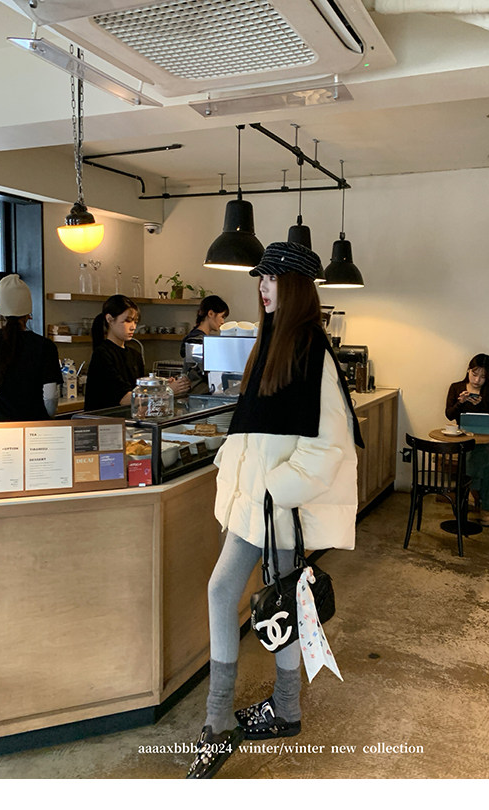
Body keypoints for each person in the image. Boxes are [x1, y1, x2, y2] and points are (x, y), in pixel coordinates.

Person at [186, 242, 364, 779]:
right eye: (260, 278)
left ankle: (223, 719)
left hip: (274, 507)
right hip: (258, 505)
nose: (262, 287)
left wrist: (272, 490)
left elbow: (329, 446)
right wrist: (235, 468)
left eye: (272, 278)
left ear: (296, 287)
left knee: (252, 596)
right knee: (276, 601)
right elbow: (255, 430)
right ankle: (277, 709)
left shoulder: (310, 352)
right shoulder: (273, 344)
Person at [0, 274, 61, 421]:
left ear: (1, 312)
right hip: (33, 423)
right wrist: (48, 418)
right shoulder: (45, 346)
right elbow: (50, 395)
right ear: (28, 314)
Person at [84, 294, 190, 411]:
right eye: (127, 321)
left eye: (135, 322)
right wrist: (167, 391)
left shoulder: (134, 355)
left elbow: (140, 392)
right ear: (109, 319)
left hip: (128, 418)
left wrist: (161, 386)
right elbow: (125, 398)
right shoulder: (102, 354)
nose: (133, 327)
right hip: (104, 420)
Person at [445, 353, 489, 527]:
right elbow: (449, 415)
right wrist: (461, 402)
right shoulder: (456, 388)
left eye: (483, 377)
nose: (477, 380)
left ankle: (469, 489)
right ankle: (487, 512)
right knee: (487, 463)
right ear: (468, 370)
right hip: (466, 436)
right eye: (474, 374)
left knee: (479, 449)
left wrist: (481, 405)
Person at [179, 295, 229, 359]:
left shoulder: (196, 336)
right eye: (222, 317)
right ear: (210, 313)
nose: (222, 322)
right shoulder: (196, 339)